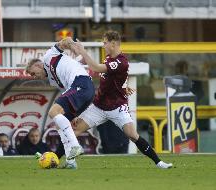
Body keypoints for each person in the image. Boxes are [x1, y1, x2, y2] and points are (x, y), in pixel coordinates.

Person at [69, 30, 172, 169]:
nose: (103, 45)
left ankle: (159, 163)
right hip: (99, 107)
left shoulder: (121, 62)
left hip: (117, 107)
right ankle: (61, 160)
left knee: (133, 136)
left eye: (105, 43)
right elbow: (113, 80)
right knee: (74, 130)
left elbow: (95, 67)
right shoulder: (108, 58)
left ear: (113, 44)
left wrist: (83, 51)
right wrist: (122, 88)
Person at [25, 38, 95, 168]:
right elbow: (67, 94)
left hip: (81, 83)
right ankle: (70, 162)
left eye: (33, 74)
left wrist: (73, 46)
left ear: (38, 65)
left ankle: (75, 145)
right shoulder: (53, 80)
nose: (35, 77)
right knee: (59, 125)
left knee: (53, 112)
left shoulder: (48, 57)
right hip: (84, 91)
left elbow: (65, 41)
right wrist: (74, 115)